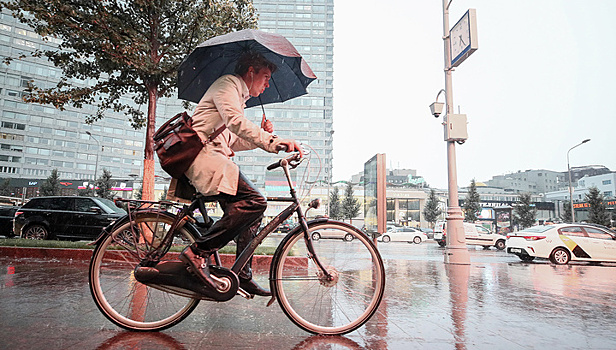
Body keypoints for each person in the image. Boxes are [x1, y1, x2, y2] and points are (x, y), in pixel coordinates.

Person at [179, 52, 303, 297]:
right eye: (265, 77)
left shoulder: (237, 95)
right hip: (204, 157)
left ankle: (242, 275)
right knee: (255, 201)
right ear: (250, 72)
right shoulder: (228, 85)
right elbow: (235, 122)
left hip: (214, 157)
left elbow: (233, 140)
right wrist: (273, 140)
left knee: (251, 214)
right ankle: (197, 252)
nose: (267, 84)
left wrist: (262, 135)